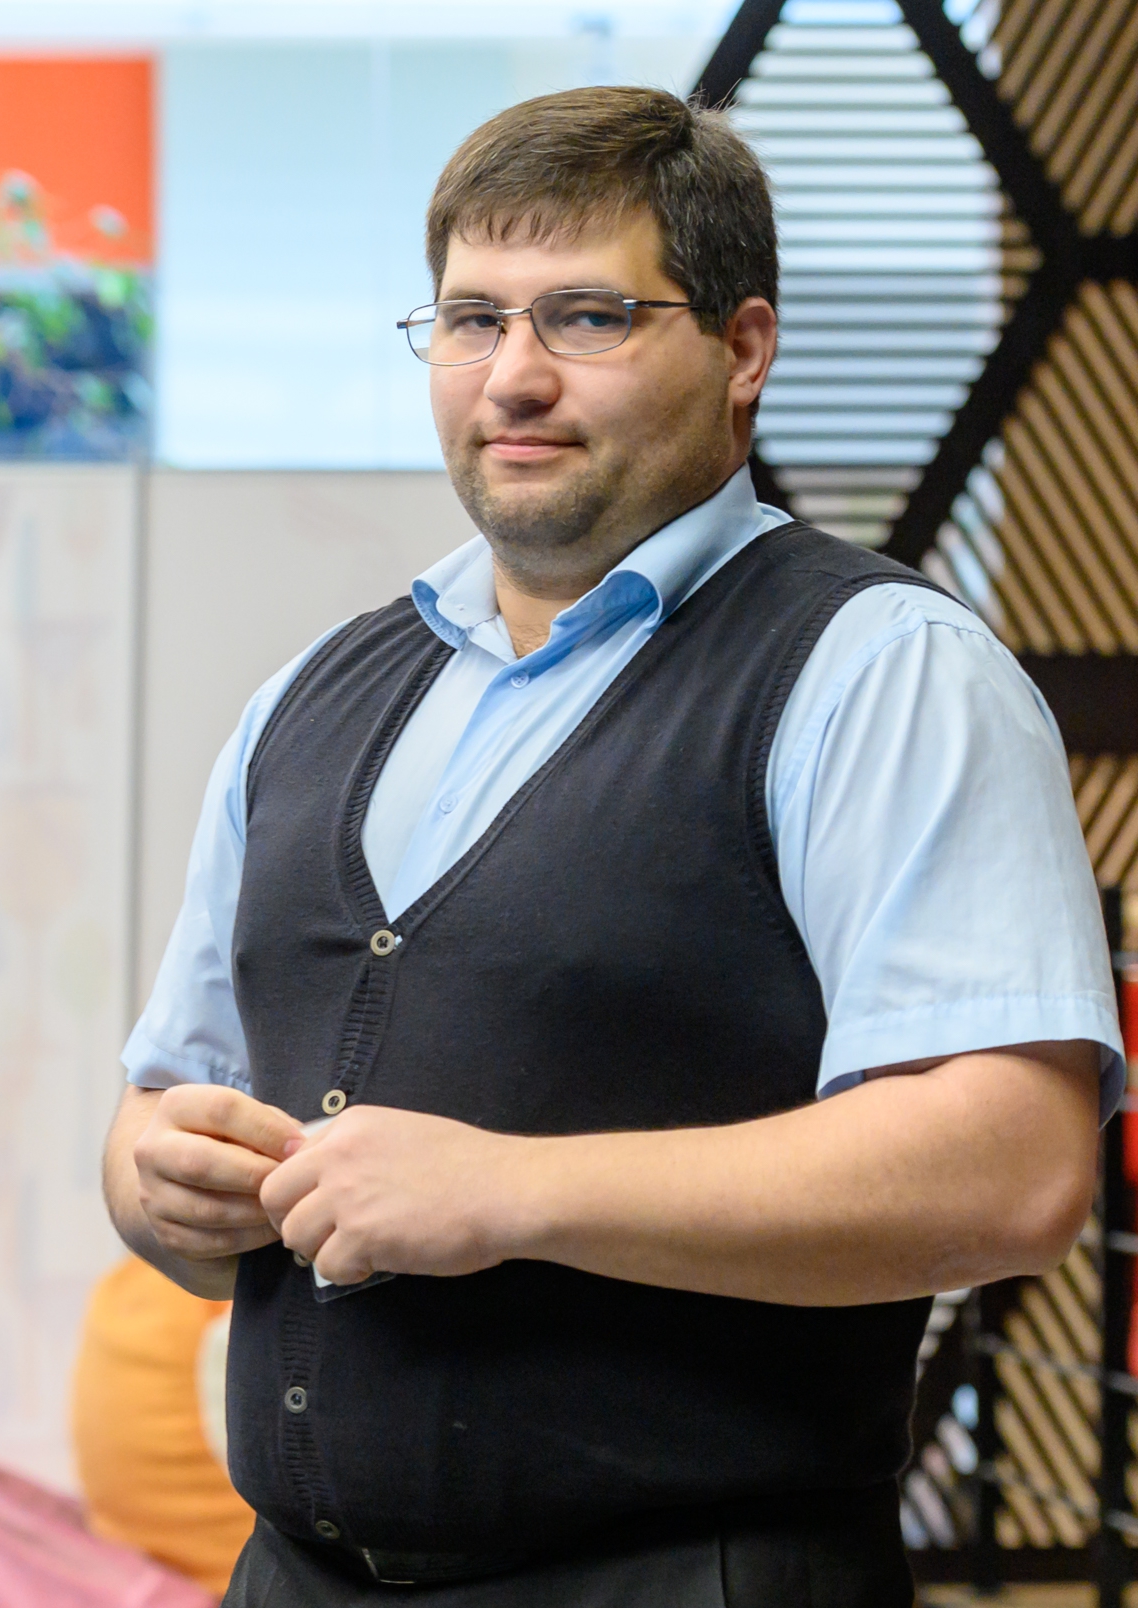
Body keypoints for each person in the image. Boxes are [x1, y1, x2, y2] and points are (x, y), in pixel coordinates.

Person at [101, 86, 1121, 1607]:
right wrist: (161, 1184)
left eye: (588, 317)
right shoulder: (310, 696)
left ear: (743, 350)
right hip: (294, 1577)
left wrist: (514, 1192)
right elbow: (159, 1115)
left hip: (685, 1577)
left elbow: (1011, 1168)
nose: (514, 377)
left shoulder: (882, 672)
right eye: (471, 320)